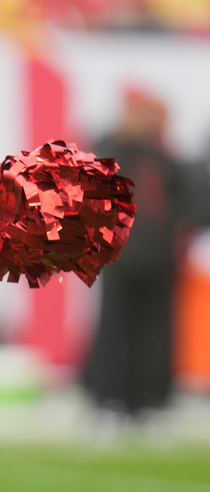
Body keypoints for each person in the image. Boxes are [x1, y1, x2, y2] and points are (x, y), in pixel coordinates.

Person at [81, 86, 190, 438]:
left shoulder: (161, 156)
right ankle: (109, 401)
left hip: (158, 260)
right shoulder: (112, 149)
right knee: (116, 332)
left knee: (155, 335)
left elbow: (184, 198)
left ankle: (149, 402)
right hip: (121, 257)